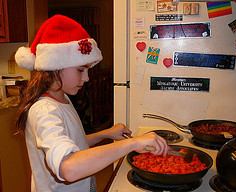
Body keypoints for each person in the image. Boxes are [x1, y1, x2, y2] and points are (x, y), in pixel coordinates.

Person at [15, 14, 169, 192]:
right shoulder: (45, 111)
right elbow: (69, 168)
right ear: (55, 67)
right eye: (81, 70)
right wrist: (133, 144)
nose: (87, 78)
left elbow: (74, 145)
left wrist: (106, 134)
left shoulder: (61, 99)